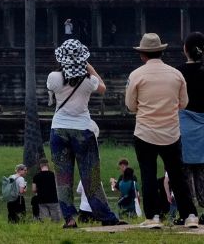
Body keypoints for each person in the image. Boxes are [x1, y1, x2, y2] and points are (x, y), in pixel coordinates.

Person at [126, 32, 200, 229]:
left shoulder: (136, 75)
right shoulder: (176, 74)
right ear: (161, 52)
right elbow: (184, 103)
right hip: (171, 132)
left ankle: (153, 217)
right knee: (177, 175)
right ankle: (190, 215)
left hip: (145, 133)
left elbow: (131, 106)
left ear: (143, 55)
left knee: (148, 174)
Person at [48, 39, 121, 228]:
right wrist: (89, 67)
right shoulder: (89, 81)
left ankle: (69, 219)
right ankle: (105, 216)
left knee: (63, 178)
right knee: (91, 176)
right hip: (82, 129)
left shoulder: (53, 77)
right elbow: (103, 88)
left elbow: (53, 90)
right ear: (82, 59)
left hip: (59, 129)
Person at [178, 32, 204, 207]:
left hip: (183, 126)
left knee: (185, 171)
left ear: (185, 49)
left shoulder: (178, 72)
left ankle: (189, 211)